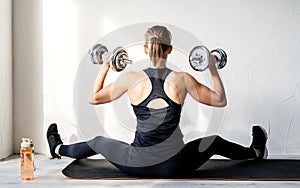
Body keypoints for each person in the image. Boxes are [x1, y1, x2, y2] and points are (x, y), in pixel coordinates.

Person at [47, 25, 267, 177]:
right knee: (215, 141)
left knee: (98, 142)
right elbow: (220, 100)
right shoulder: (183, 79)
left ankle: (57, 148)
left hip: (136, 164)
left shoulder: (130, 79)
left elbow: (93, 99)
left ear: (144, 49)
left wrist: (106, 65)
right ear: (170, 49)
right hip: (176, 165)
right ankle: (255, 152)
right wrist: (211, 68)